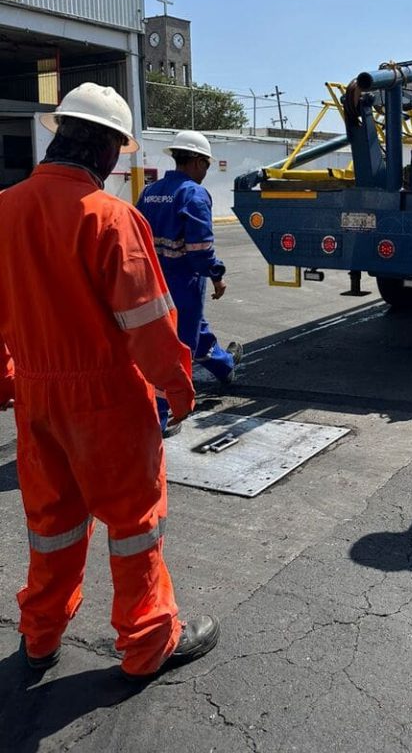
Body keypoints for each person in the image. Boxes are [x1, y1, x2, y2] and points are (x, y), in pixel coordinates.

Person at [0, 83, 219, 677]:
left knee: (52, 524)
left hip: (36, 395)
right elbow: (147, 322)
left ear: (60, 136)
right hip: (106, 399)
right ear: (105, 148)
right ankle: (147, 642)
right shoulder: (111, 217)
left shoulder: (5, 208)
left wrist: (6, 379)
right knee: (134, 523)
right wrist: (178, 388)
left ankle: (40, 634)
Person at [137, 131, 243, 436]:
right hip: (183, 281)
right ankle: (163, 415)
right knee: (178, 346)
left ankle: (224, 365)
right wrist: (217, 276)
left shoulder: (150, 192)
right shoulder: (194, 194)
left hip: (152, 280)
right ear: (197, 161)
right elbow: (200, 249)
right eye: (207, 165)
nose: (206, 171)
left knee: (192, 330)